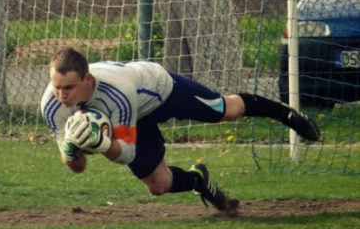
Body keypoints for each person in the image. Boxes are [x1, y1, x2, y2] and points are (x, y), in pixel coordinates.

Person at [41, 47, 321, 213]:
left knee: (225, 110)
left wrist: (102, 144)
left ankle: (288, 114)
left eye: (69, 87)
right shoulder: (52, 106)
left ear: (87, 79)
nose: (62, 94)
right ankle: (199, 180)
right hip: (137, 117)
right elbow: (76, 168)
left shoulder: (117, 93)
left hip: (161, 91)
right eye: (56, 86)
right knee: (158, 186)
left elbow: (125, 153)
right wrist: (71, 149)